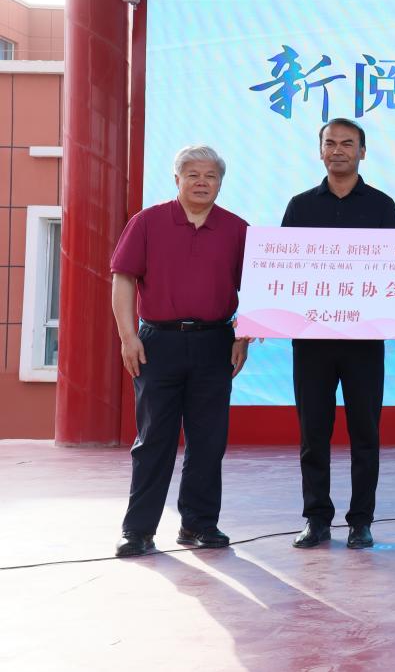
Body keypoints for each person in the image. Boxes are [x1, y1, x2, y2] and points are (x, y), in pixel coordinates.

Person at [282, 117, 395, 551]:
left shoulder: (381, 206)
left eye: (347, 143)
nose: (338, 150)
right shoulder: (300, 207)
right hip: (311, 342)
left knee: (365, 433)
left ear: (362, 151)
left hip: (364, 343)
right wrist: (264, 317)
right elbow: (282, 271)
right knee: (313, 433)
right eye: (330, 143)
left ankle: (361, 522)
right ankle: (316, 518)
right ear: (319, 150)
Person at [110, 146, 250, 557]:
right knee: (154, 437)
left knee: (208, 439)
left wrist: (243, 336)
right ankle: (137, 530)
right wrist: (128, 337)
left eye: (210, 176)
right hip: (158, 343)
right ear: (177, 180)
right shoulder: (147, 222)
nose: (202, 182)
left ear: (221, 183)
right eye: (193, 174)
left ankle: (199, 524)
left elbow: (257, 288)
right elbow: (123, 278)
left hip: (215, 342)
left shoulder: (237, 229)